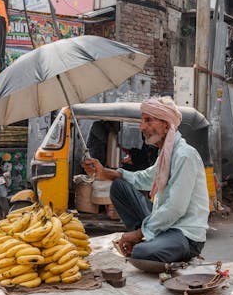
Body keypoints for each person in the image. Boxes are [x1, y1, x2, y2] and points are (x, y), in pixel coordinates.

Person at [82, 96, 209, 263]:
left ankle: (147, 240)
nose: (142, 127)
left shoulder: (184, 155)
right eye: (142, 121)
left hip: (184, 234)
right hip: (165, 227)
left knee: (141, 252)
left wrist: (137, 234)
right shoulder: (165, 154)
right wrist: (104, 172)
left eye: (148, 121)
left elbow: (175, 208)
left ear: (166, 125)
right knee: (119, 187)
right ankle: (150, 238)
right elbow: (144, 178)